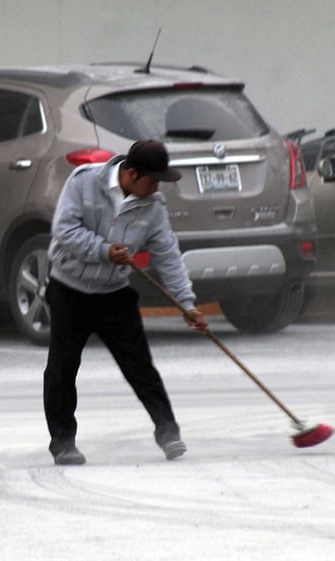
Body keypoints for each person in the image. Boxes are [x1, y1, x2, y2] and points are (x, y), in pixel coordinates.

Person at [43, 139, 209, 466]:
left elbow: (168, 256)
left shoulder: (153, 207)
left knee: (140, 365)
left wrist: (187, 304)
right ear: (131, 174)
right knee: (62, 368)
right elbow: (64, 229)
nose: (156, 187)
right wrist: (103, 250)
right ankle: (63, 441)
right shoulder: (83, 182)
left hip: (113, 293)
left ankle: (168, 430)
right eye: (153, 180)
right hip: (68, 288)